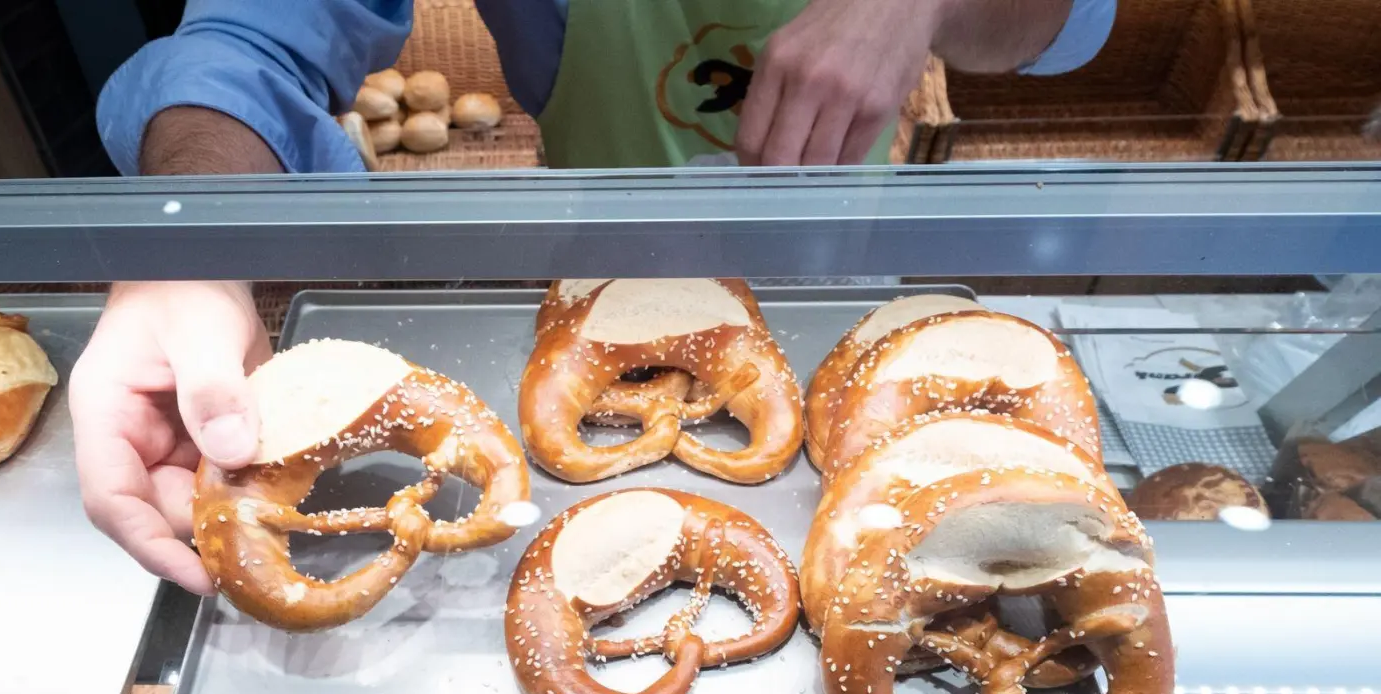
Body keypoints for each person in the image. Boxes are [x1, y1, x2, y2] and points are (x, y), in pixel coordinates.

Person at [74, 0, 1117, 591]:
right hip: (594, 288)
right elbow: (245, 44)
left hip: (840, 299)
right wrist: (189, 241)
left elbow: (1068, 22)